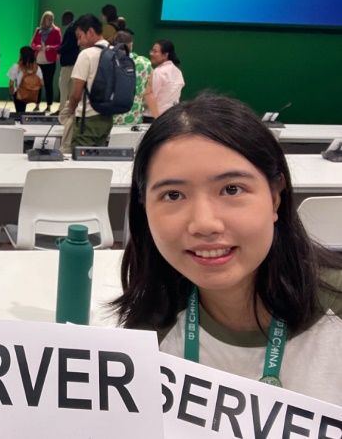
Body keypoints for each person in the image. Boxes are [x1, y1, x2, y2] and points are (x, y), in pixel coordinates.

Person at [113, 93, 342, 405]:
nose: (204, 224)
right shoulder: (148, 331)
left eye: (232, 189)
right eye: (173, 195)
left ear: (275, 197)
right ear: (144, 208)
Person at [65, 14, 113, 148]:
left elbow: (77, 93)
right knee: (98, 158)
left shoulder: (86, 55)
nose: (78, 42)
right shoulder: (114, 52)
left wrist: (70, 110)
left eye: (79, 36)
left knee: (79, 159)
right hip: (107, 118)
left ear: (90, 32)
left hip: (87, 118)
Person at [112, 30, 153, 126]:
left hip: (111, 118)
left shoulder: (108, 61)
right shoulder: (145, 63)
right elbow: (149, 92)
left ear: (114, 44)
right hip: (135, 118)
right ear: (131, 45)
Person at [143, 39, 184, 122]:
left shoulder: (158, 72)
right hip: (172, 117)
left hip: (154, 117)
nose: (151, 54)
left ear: (165, 55)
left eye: (155, 51)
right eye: (152, 51)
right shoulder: (178, 72)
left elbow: (150, 95)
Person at [30, 10, 62, 113]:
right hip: (38, 61)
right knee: (38, 84)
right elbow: (32, 44)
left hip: (50, 62)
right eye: (49, 19)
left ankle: (48, 105)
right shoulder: (38, 30)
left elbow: (59, 45)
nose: (51, 21)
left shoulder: (56, 30)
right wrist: (37, 46)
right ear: (44, 19)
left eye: (52, 19)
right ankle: (37, 105)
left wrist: (50, 47)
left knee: (48, 84)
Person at [7, 46, 43, 113]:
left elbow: (11, 84)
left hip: (20, 94)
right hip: (33, 93)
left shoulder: (16, 66)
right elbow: (41, 83)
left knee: (20, 112)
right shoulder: (37, 67)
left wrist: (12, 93)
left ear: (21, 55)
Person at [55, 10, 78, 118]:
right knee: (70, 86)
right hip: (73, 61)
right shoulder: (74, 28)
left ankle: (62, 108)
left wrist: (59, 50)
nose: (62, 20)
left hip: (68, 62)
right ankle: (69, 108)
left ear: (67, 18)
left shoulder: (70, 29)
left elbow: (68, 44)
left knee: (63, 84)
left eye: (63, 18)